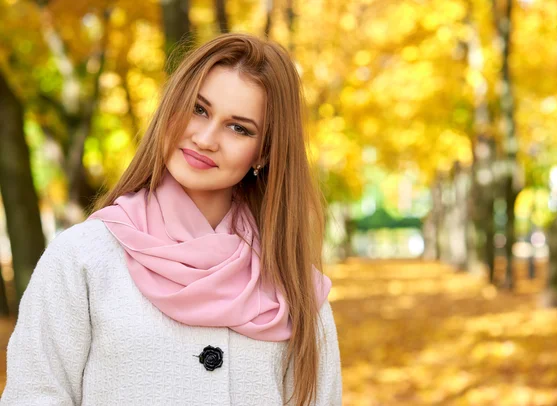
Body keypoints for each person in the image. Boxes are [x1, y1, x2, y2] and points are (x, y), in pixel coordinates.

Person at [1, 33, 342, 405]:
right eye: (198, 109)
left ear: (264, 153)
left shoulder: (294, 286)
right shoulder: (82, 259)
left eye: (239, 128)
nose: (206, 138)